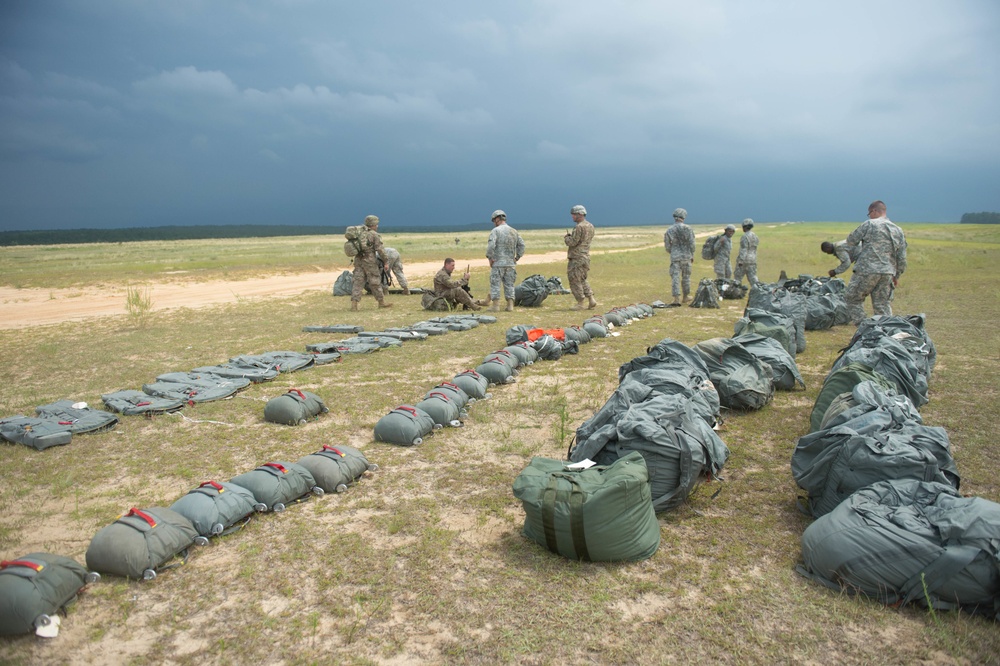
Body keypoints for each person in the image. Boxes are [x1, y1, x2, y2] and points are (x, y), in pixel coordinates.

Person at [844, 200, 907, 324]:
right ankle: (886, 334)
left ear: (873, 211)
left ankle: (865, 328)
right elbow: (902, 257)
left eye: (869, 213)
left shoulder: (869, 224)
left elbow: (851, 241)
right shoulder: (898, 230)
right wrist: (896, 275)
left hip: (867, 270)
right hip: (887, 272)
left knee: (852, 299)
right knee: (882, 305)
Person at [482, 210, 525, 312]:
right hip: (510, 263)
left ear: (497, 219)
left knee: (495, 284)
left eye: (494, 220)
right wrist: (517, 257)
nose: (493, 222)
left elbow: (491, 246)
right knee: (509, 285)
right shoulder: (514, 231)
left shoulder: (495, 231)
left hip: (498, 263)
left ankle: (495, 306)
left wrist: (490, 258)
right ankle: (510, 305)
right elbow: (522, 245)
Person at [350, 215, 391, 310]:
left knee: (358, 281)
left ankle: (354, 304)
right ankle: (381, 302)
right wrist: (386, 261)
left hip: (358, 260)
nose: (377, 226)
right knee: (375, 280)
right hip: (369, 260)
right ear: (373, 224)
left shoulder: (359, 233)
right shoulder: (373, 234)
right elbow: (380, 250)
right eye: (376, 224)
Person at [564, 204, 598, 310]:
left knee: (574, 280)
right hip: (585, 256)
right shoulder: (590, 226)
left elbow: (573, 242)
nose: (572, 217)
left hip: (577, 258)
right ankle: (591, 299)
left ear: (580, 214)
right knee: (582, 279)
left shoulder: (579, 227)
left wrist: (567, 238)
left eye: (574, 214)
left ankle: (580, 302)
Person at [663, 207, 695, 305]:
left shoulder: (669, 230)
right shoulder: (688, 229)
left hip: (675, 257)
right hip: (686, 256)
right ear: (684, 217)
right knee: (686, 277)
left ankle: (676, 298)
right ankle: (685, 296)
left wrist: (673, 252)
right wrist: (691, 254)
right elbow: (692, 244)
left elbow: (667, 246)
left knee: (675, 277)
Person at [733, 218, 759, 286]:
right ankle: (758, 290)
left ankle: (736, 292)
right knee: (753, 278)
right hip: (753, 260)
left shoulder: (745, 237)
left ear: (745, 227)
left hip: (745, 260)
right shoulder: (755, 236)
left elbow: (744, 249)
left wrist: (741, 261)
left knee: (737, 277)